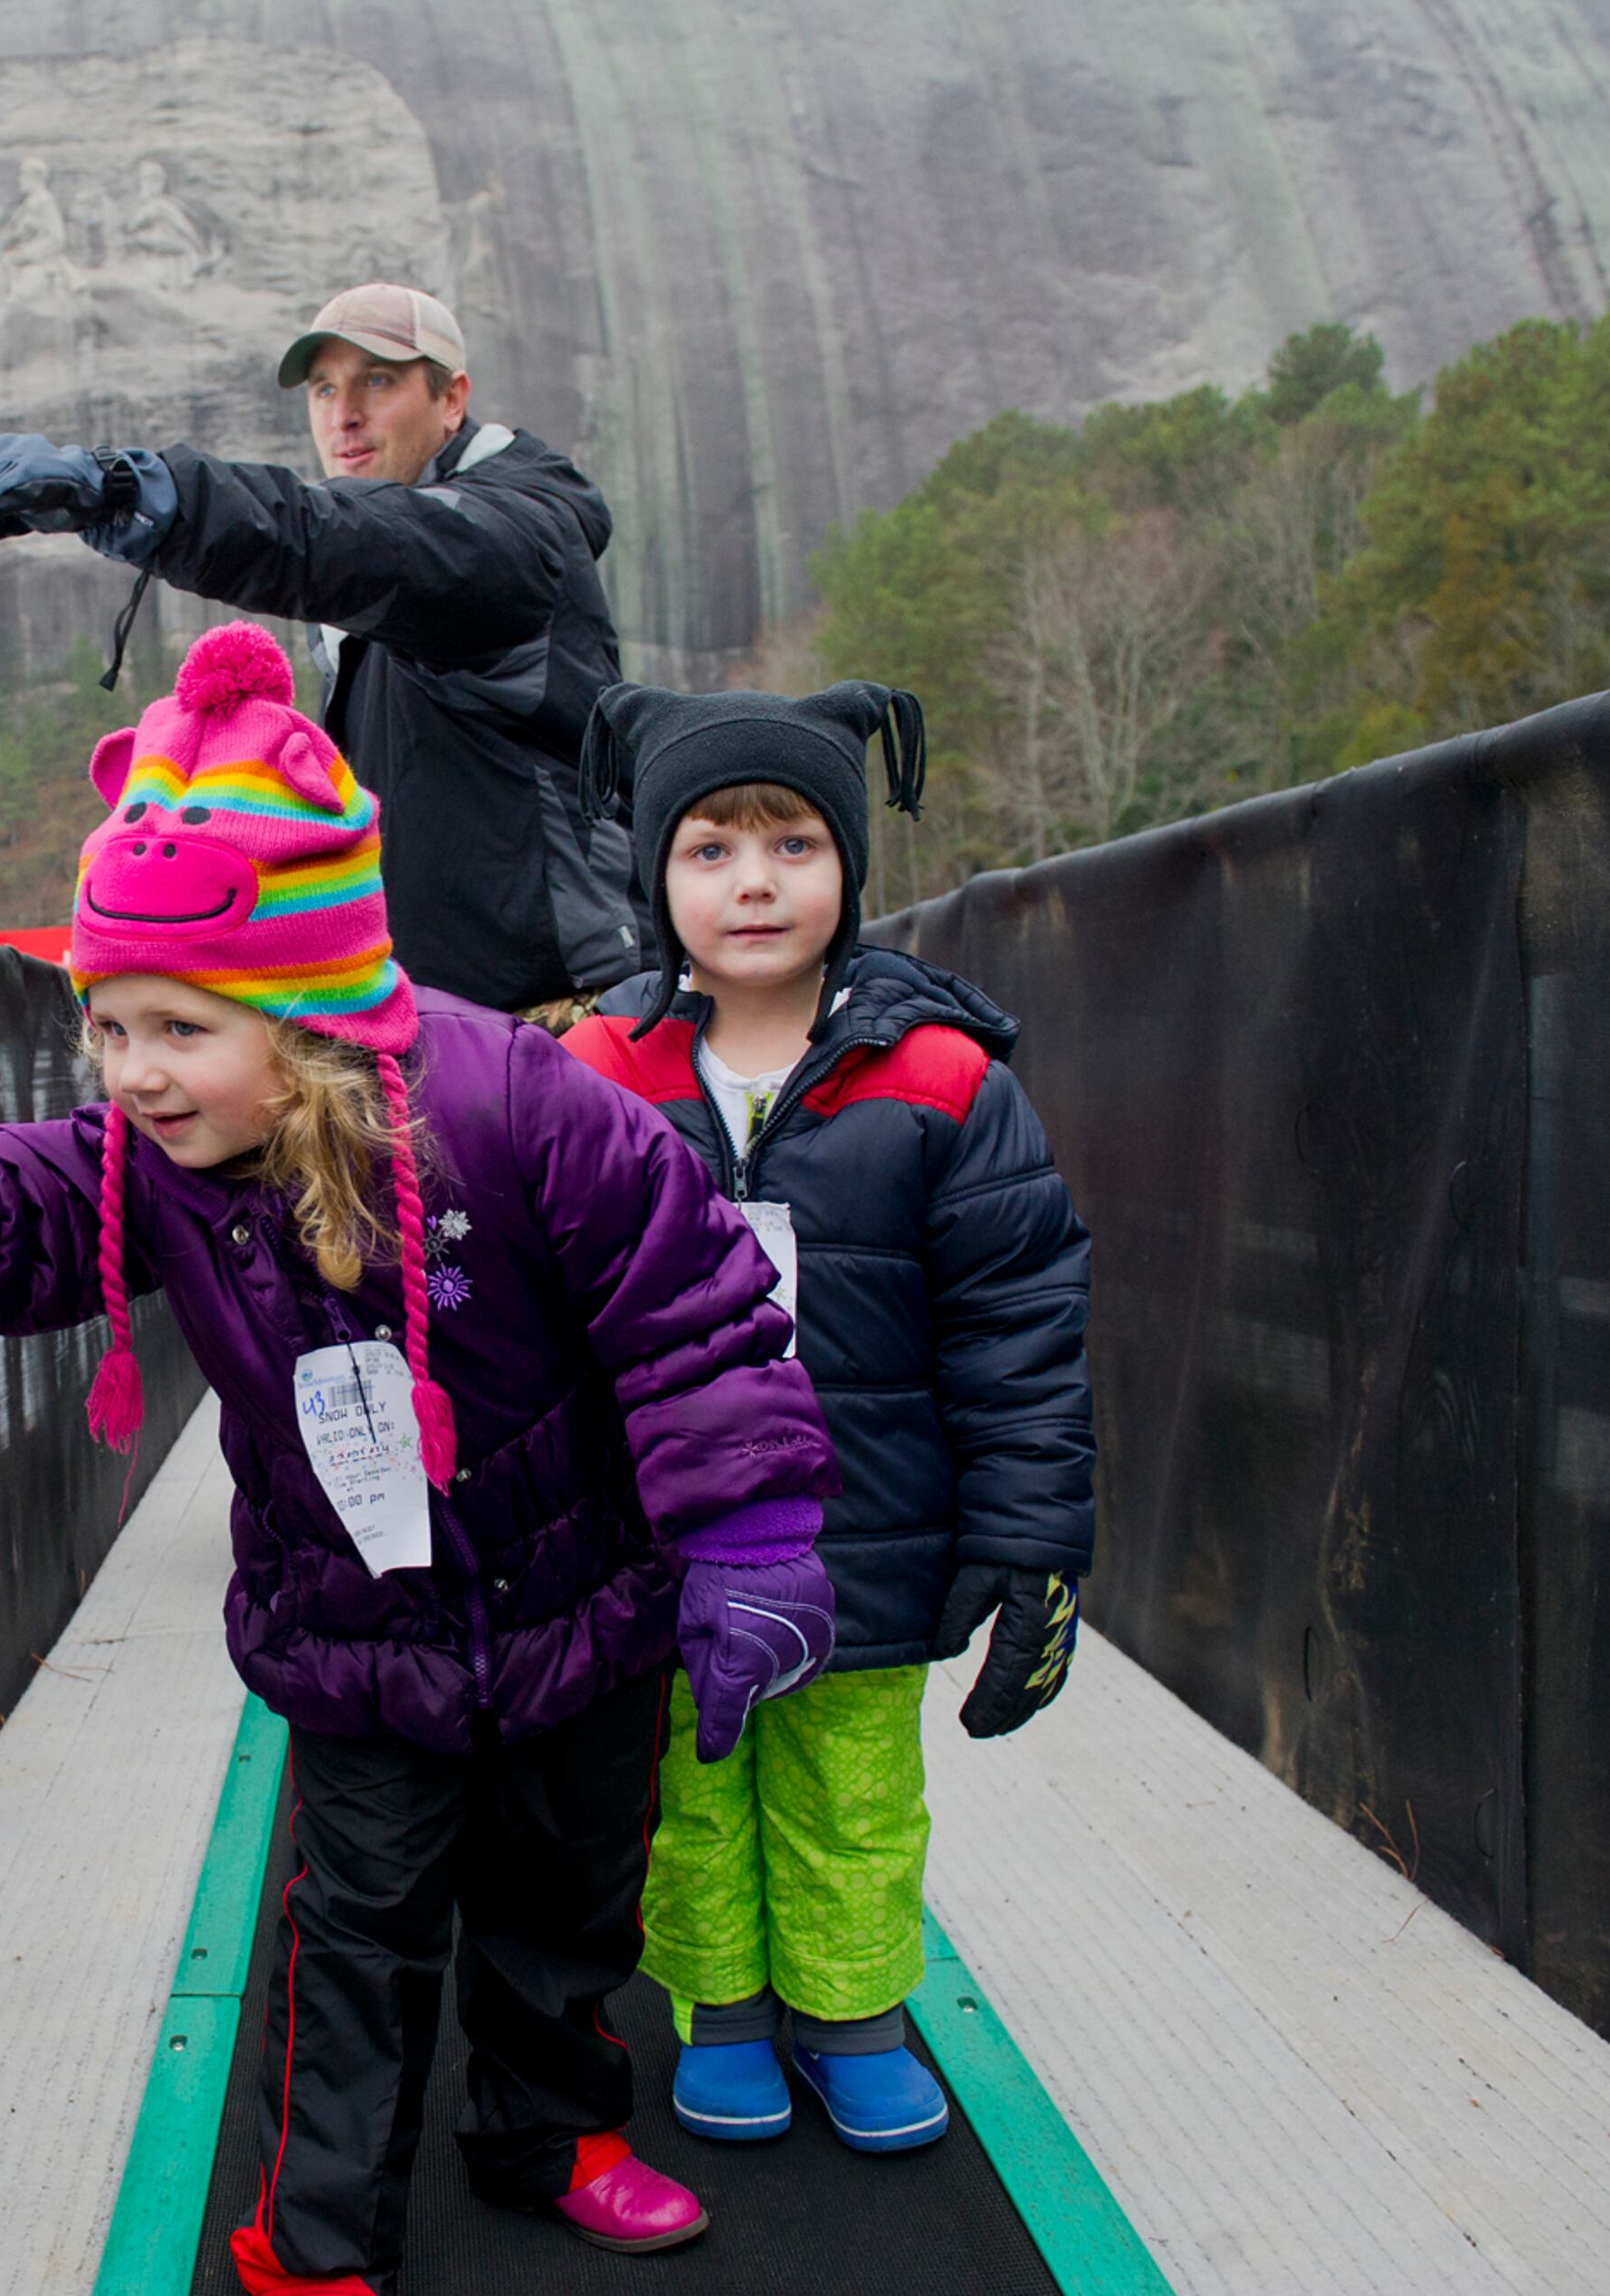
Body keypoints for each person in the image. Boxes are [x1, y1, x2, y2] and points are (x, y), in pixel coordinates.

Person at [0, 623, 840, 2293]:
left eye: (177, 1026)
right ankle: (316, 2241)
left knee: (566, 1908)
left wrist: (749, 1538)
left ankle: (551, 2128)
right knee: (352, 1938)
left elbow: (692, 1310)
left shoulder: (524, 1110)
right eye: (107, 1025)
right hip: (357, 1630)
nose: (134, 1074)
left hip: (580, 1602)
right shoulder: (156, 1156)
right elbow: (10, 1216)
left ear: (302, 1016)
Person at [556, 682, 1095, 2155]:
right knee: (693, 1781)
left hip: (872, 1528)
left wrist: (1031, 1531)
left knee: (857, 1786)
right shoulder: (599, 1074)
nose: (752, 881)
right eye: (711, 849)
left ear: (848, 866)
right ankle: (722, 2005)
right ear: (655, 875)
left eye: (791, 844)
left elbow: (1020, 1320)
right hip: (662, 1537)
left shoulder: (942, 1078)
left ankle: (853, 2010)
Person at [0, 283, 637, 1018]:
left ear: (452, 400)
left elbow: (349, 540)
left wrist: (128, 492)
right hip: (440, 1016)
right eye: (323, 389)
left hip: (560, 1015)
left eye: (377, 381)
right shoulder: (387, 560)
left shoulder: (506, 537)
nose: (343, 414)